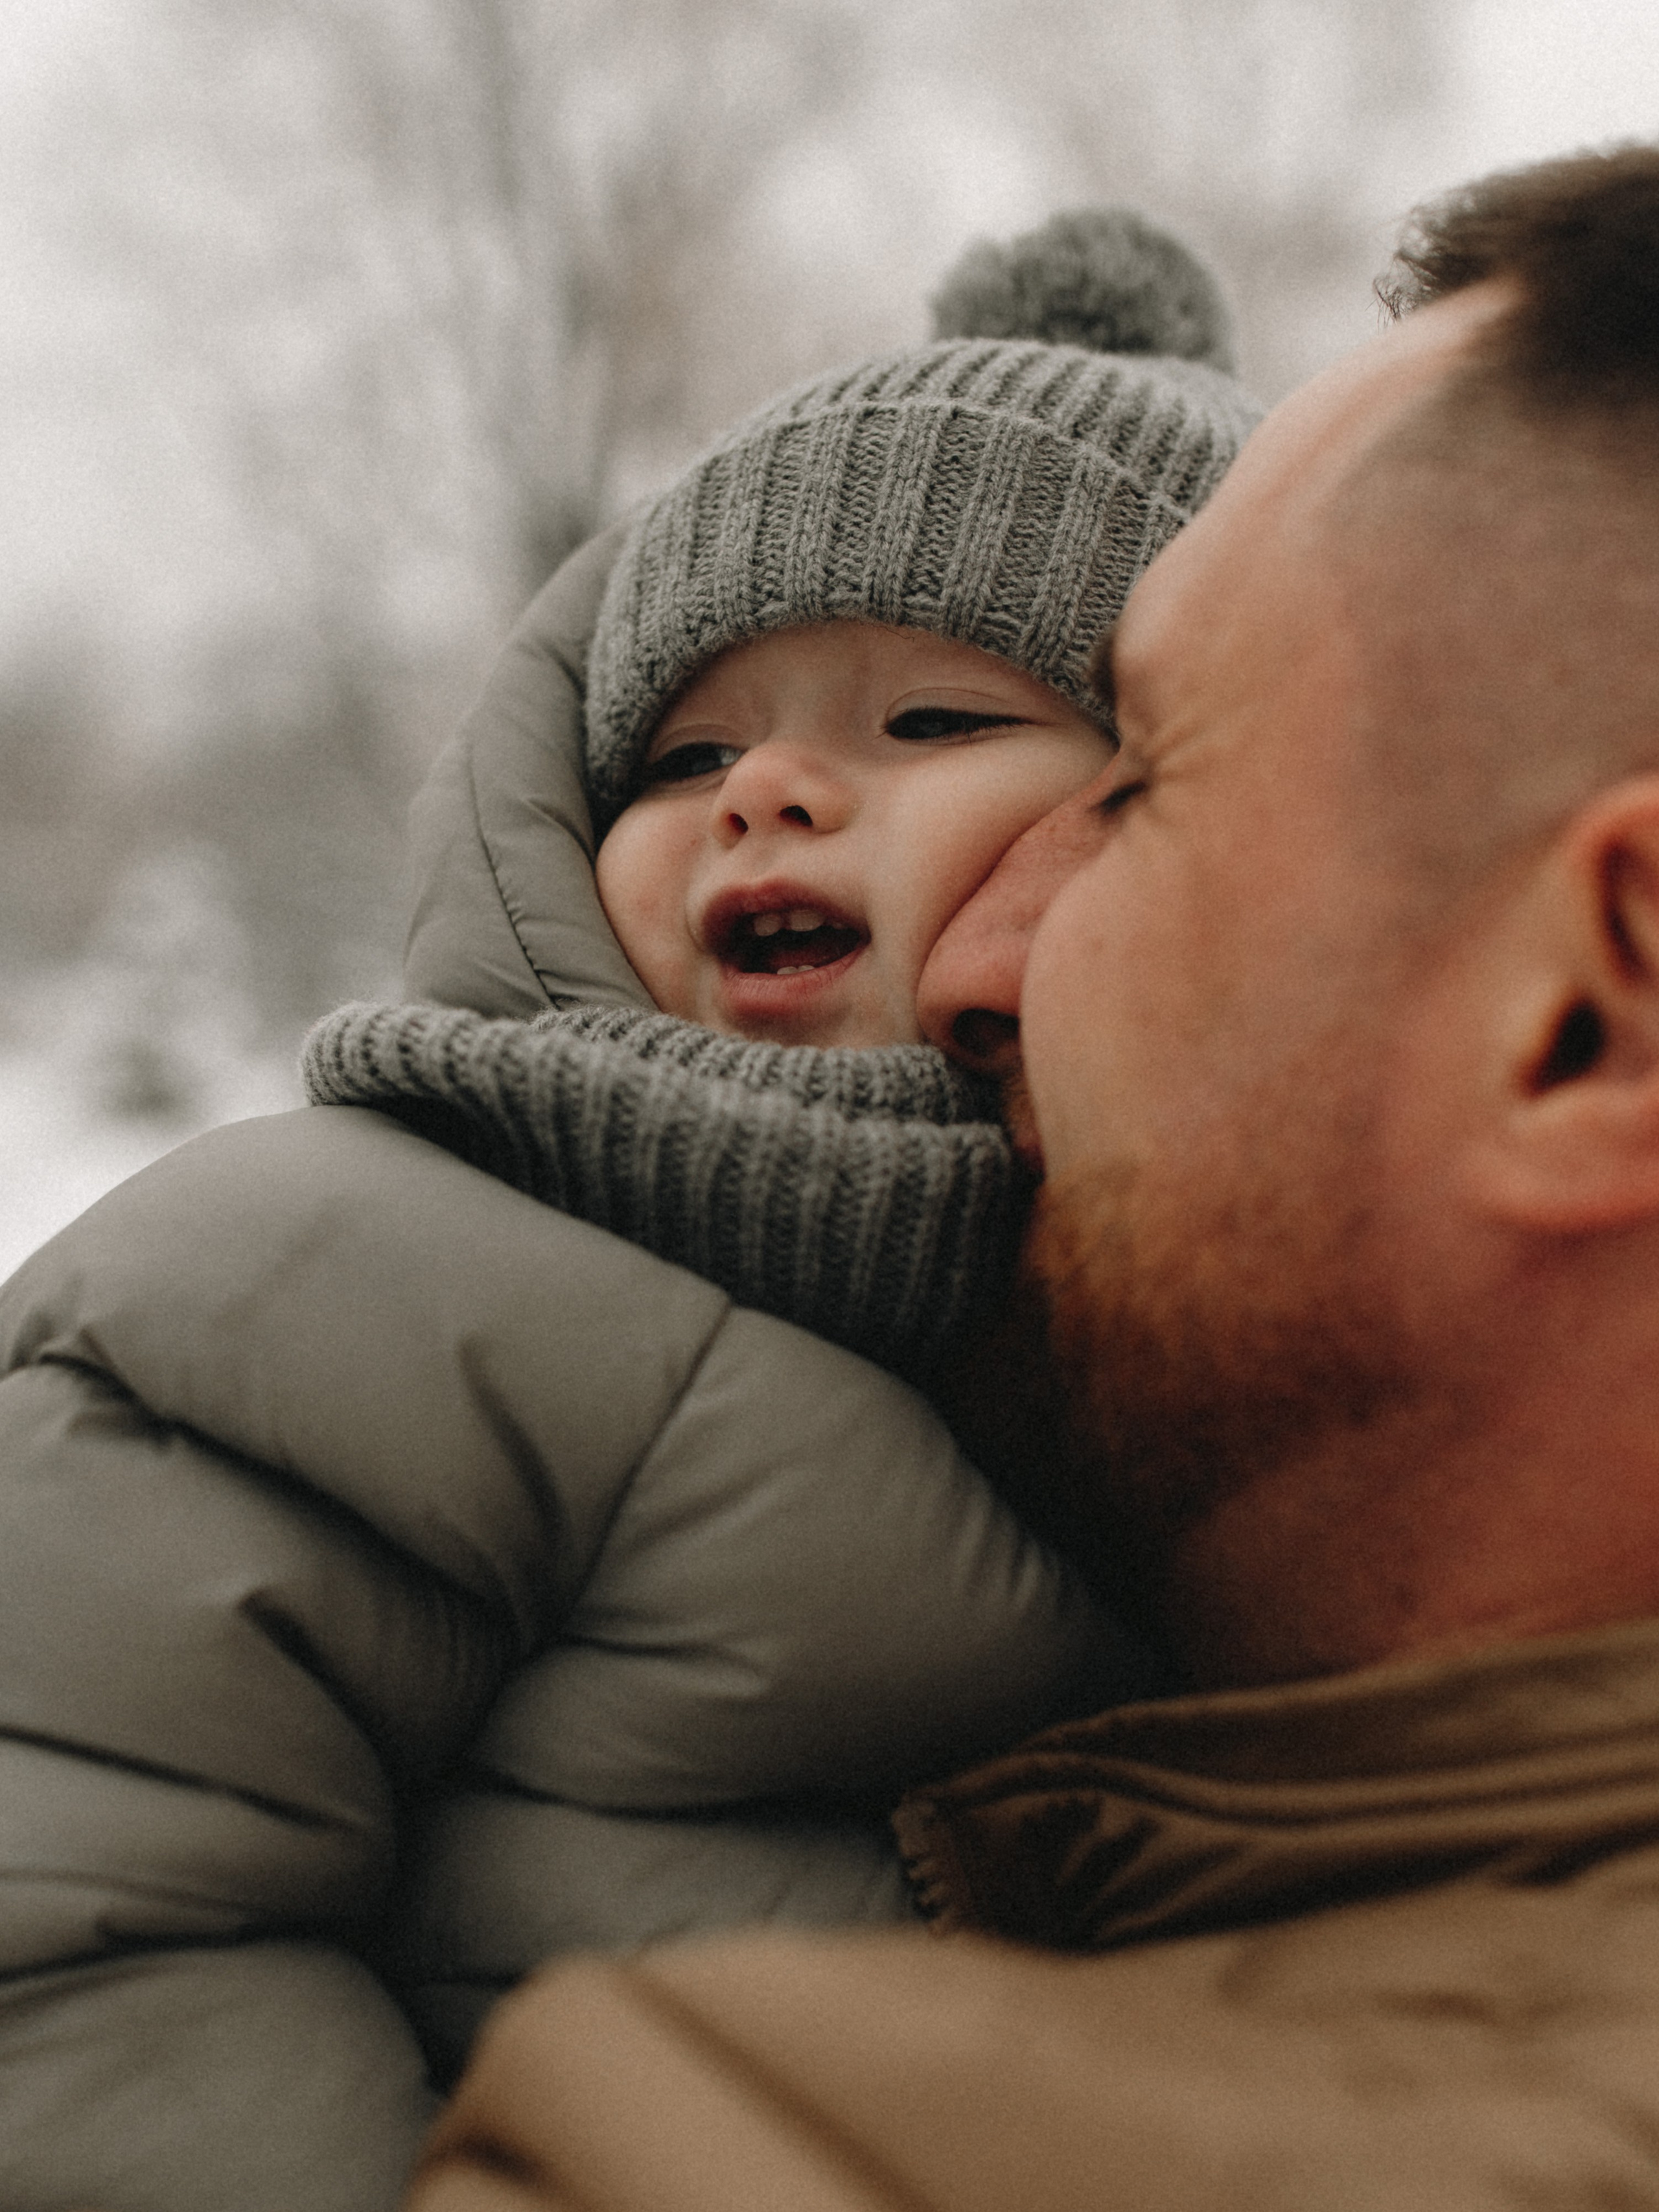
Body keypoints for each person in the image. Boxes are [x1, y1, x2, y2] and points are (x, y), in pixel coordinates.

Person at [407, 144, 1659, 2211]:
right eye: (684, 758)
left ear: (1597, 1010)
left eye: (1144, 774)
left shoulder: (772, 2154)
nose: (979, 966)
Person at [0, 216, 1255, 2211]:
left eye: (930, 723)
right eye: (684, 751)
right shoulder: (364, 1272)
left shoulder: (1192, 1334)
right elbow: (77, 1919)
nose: (766, 790)